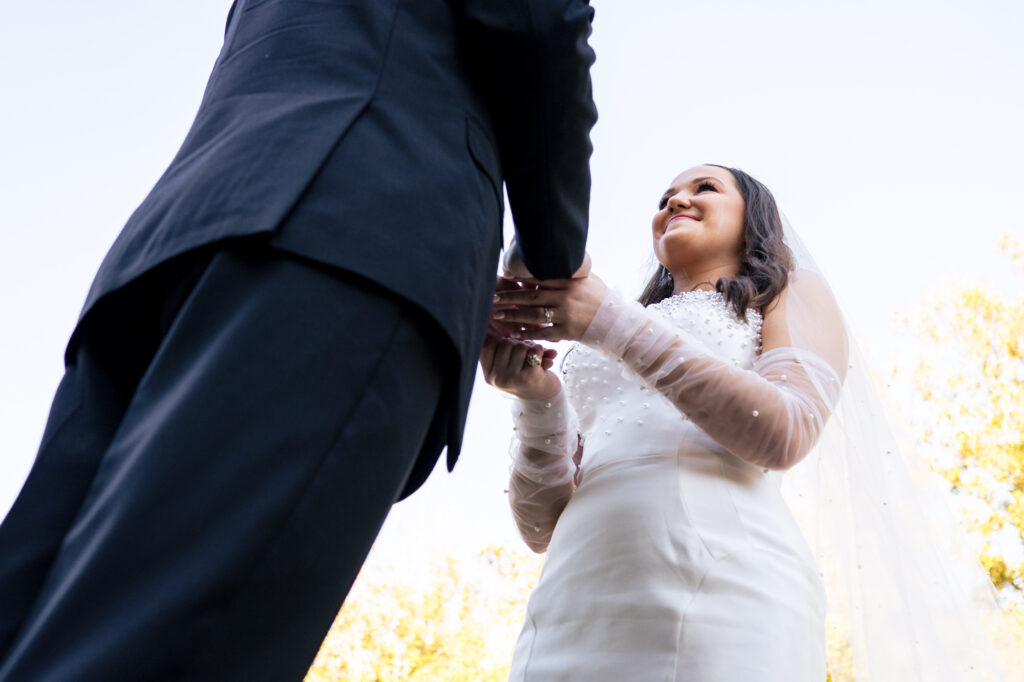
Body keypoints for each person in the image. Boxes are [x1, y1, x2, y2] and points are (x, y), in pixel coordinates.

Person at [0, 1, 597, 680]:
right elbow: (539, 23)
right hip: (357, 234)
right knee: (180, 637)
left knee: (31, 614)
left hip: (174, 245)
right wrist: (553, 252)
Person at [482, 164, 1024, 680]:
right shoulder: (607, 332)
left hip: (725, 591)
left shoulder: (787, 292)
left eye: (706, 187)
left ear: (753, 218)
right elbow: (541, 528)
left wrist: (610, 323)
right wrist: (538, 399)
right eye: (664, 196)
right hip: (570, 606)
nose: (676, 199)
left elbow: (786, 430)